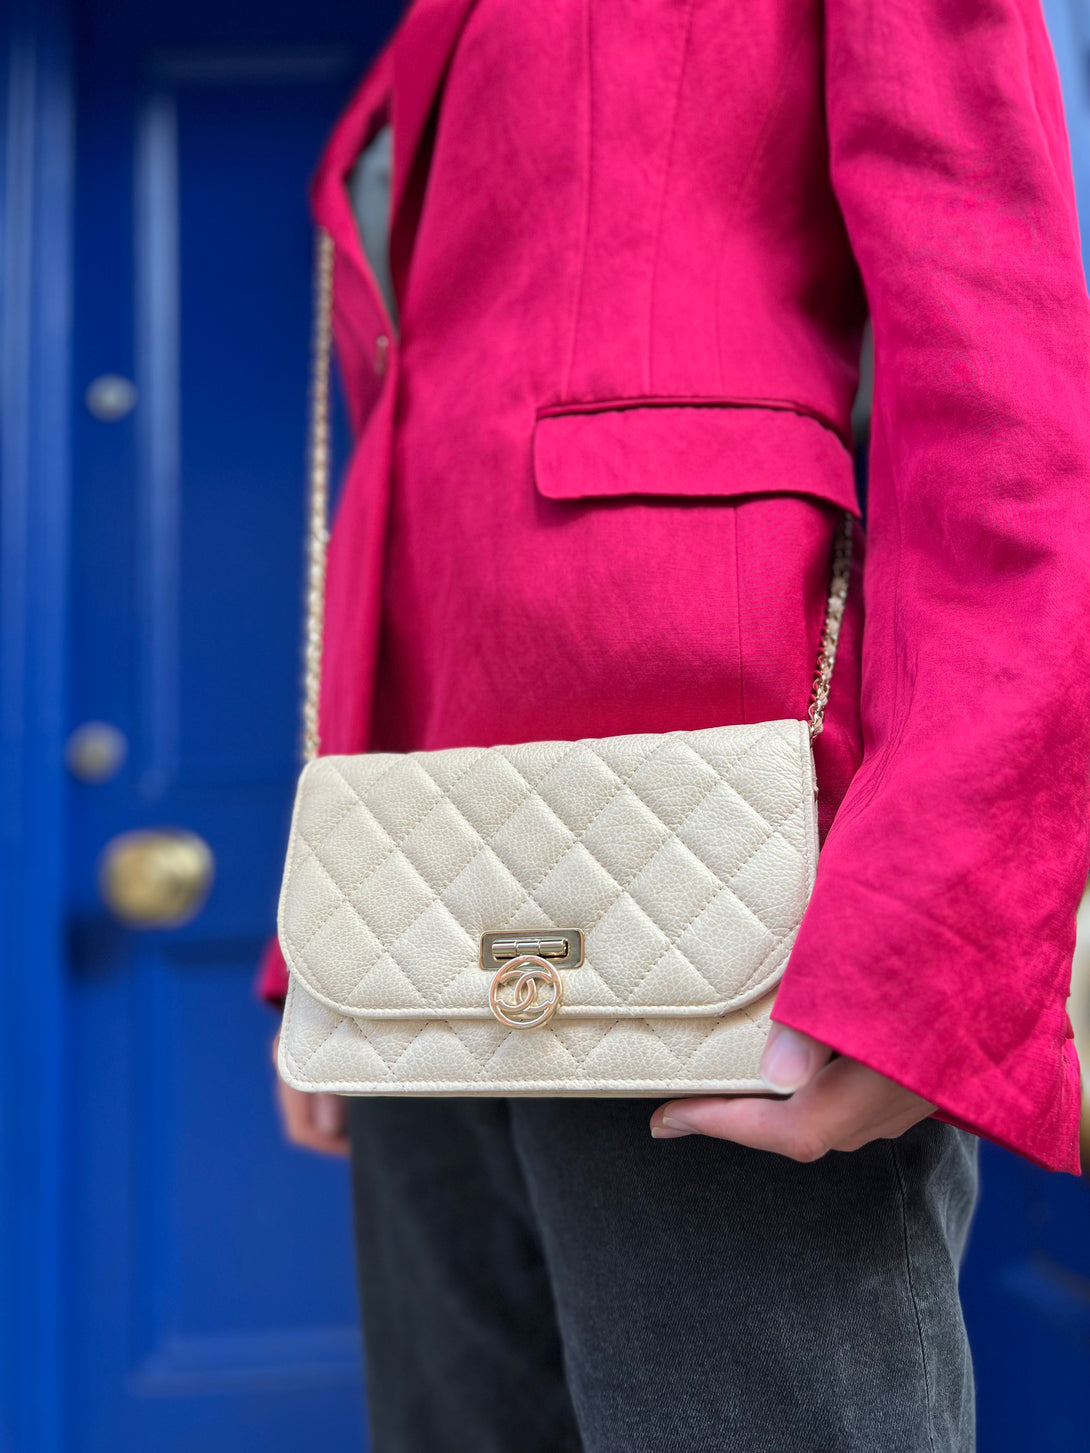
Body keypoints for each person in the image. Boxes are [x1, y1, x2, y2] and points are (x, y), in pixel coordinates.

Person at [262, 1, 1090, 1448]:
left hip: (718, 881)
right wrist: (321, 944)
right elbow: (409, 501)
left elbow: (1003, 415)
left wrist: (931, 947)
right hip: (424, 909)